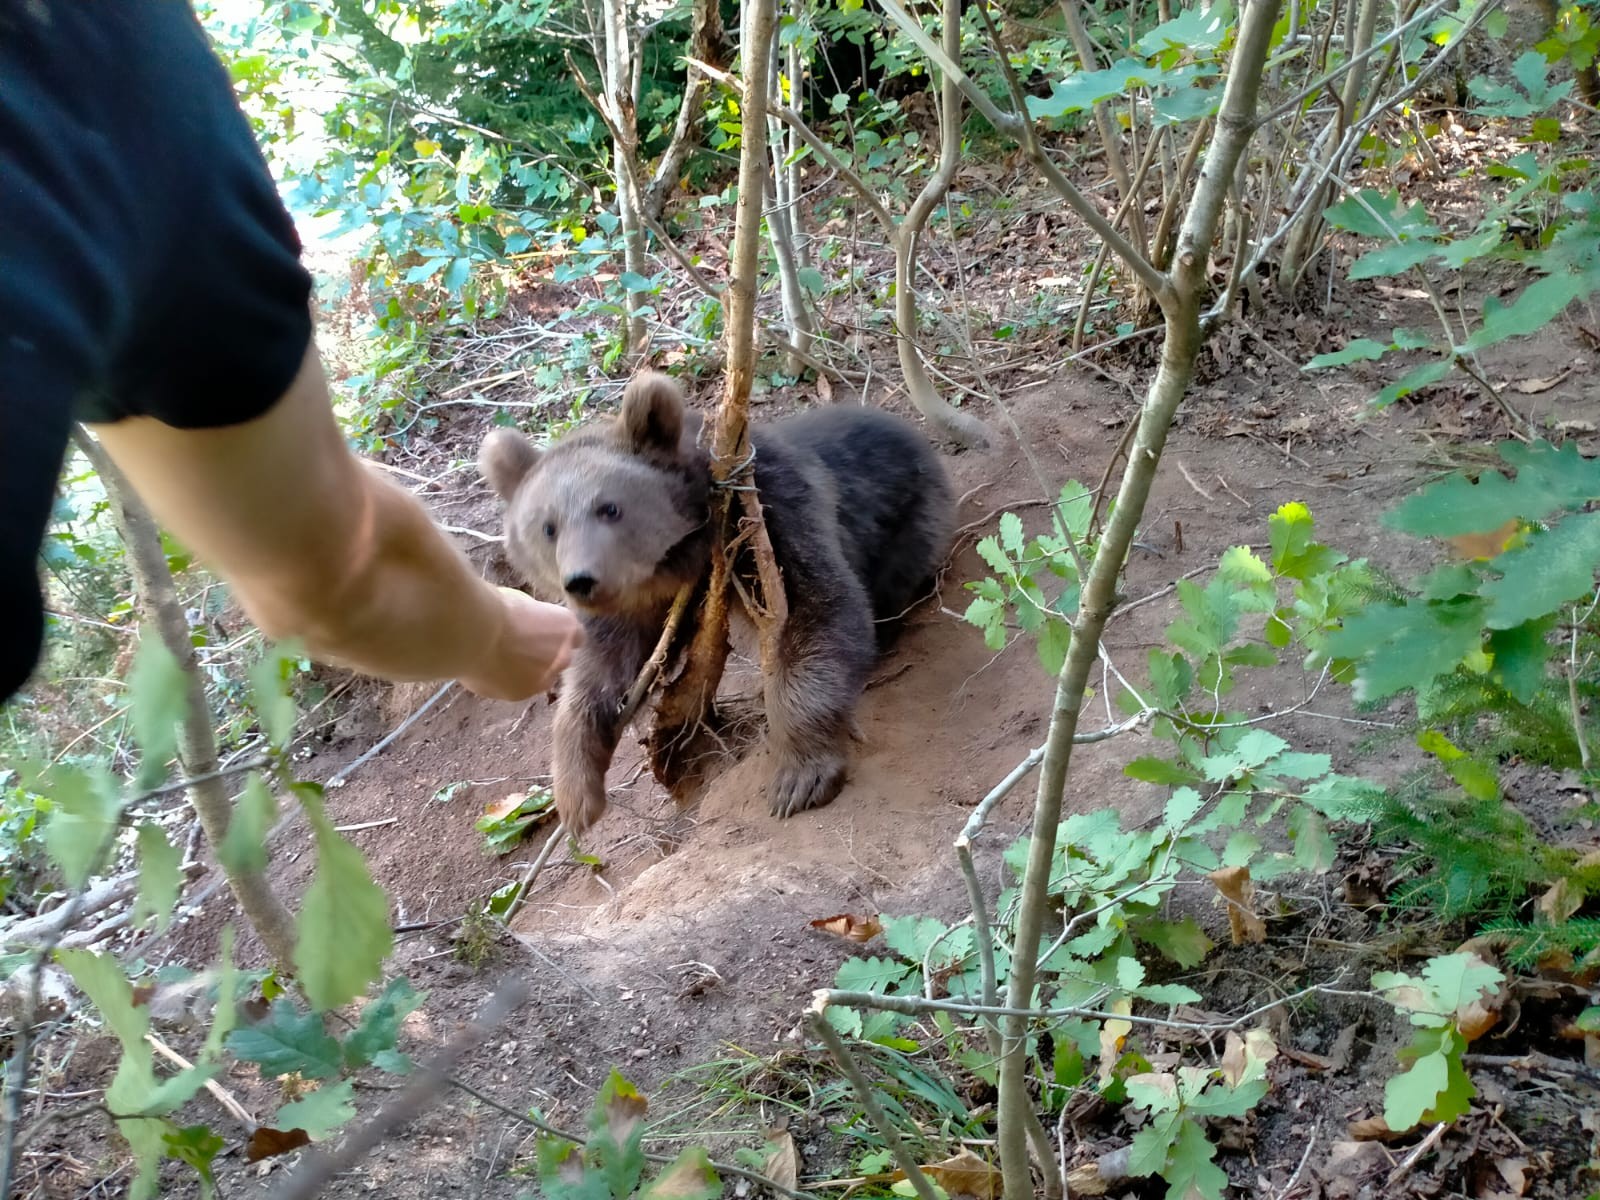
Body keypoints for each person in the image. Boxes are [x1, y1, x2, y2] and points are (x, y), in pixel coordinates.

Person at [0, 0, 583, 709]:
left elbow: (335, 576)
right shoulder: (97, 64)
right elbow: (334, 576)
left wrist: (490, 637)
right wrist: (490, 638)